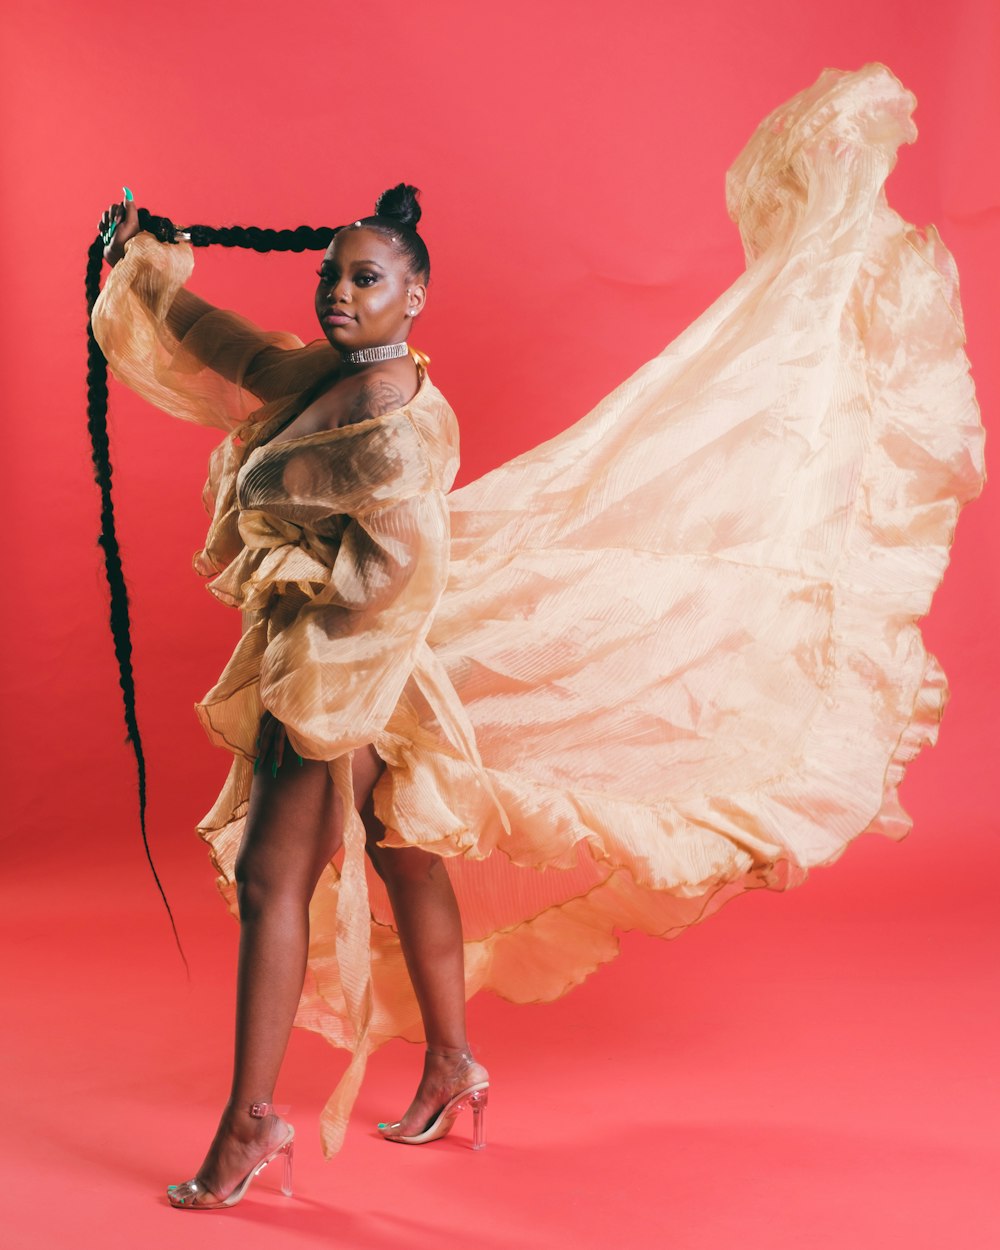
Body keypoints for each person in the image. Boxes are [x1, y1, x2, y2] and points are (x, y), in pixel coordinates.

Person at [90, 63, 984, 1212]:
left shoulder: (390, 416)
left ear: (414, 298)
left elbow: (397, 570)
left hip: (346, 666)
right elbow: (242, 350)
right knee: (399, 837)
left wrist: (317, 661)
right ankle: (455, 1060)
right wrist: (152, 274)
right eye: (332, 276)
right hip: (349, 655)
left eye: (365, 280)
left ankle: (251, 1123)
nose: (339, 295)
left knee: (274, 879)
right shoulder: (330, 373)